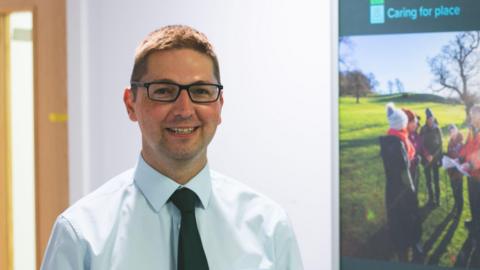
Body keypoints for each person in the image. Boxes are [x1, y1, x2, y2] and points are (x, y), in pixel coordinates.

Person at [41, 25, 303, 270]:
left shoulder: (269, 227)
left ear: (219, 105)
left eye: (200, 91)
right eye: (165, 91)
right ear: (131, 104)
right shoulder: (80, 235)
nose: (184, 110)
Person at [379, 103, 422, 262]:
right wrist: (411, 193)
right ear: (401, 123)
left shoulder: (391, 139)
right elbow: (403, 171)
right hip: (402, 190)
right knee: (405, 217)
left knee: (398, 218)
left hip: (393, 188)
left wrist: (412, 160)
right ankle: (406, 248)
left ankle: (402, 245)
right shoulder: (397, 143)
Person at [460, 105, 480, 243]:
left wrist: (471, 165)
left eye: (474, 116)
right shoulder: (471, 130)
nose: (471, 118)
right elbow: (466, 147)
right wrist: (460, 158)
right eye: (471, 116)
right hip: (470, 174)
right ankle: (474, 222)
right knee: (472, 200)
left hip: (478, 174)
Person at [420, 108, 443, 206]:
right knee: (428, 180)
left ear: (433, 118)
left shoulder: (437, 129)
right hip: (426, 159)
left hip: (435, 158)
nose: (430, 120)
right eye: (428, 118)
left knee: (436, 180)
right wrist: (426, 155)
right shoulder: (423, 129)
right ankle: (431, 198)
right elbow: (420, 144)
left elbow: (440, 145)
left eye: (431, 118)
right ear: (426, 119)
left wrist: (434, 156)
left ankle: (437, 199)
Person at [446, 124, 464, 217]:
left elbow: (464, 156)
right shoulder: (450, 142)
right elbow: (449, 153)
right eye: (450, 132)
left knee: (459, 191)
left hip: (458, 171)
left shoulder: (461, 142)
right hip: (451, 171)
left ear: (456, 131)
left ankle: (459, 210)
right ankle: (456, 205)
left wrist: (459, 160)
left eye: (453, 131)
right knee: (454, 190)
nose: (452, 133)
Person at [403, 108, 422, 193]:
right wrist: (415, 159)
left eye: (416, 122)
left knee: (414, 190)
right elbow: (404, 159)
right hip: (407, 174)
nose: (416, 124)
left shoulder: (415, 134)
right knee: (409, 193)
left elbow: (420, 145)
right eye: (413, 121)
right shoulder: (404, 138)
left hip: (414, 169)